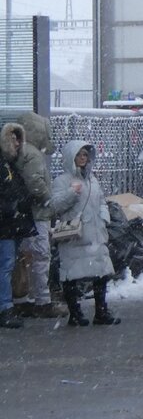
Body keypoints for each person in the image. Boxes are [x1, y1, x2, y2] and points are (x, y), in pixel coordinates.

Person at [49, 140, 120, 327]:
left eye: (85, 155)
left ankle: (101, 311)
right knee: (71, 274)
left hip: (95, 234)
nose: (83, 158)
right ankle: (75, 313)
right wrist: (72, 193)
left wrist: (104, 218)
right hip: (74, 235)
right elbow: (55, 206)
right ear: (71, 157)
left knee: (101, 273)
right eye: (79, 154)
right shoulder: (62, 181)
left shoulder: (92, 179)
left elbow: (101, 200)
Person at [7, 116, 65, 318]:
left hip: (24, 215)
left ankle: (22, 300)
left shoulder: (20, 152)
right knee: (41, 257)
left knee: (24, 259)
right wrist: (49, 200)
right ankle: (42, 301)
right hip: (37, 214)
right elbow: (36, 183)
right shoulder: (33, 154)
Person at [0, 128, 36, 329]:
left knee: (8, 265)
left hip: (11, 224)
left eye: (18, 140)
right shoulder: (5, 165)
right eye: (13, 139)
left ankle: (6, 306)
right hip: (6, 225)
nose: (16, 143)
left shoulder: (11, 165)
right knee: (5, 266)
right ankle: (5, 307)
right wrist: (11, 206)